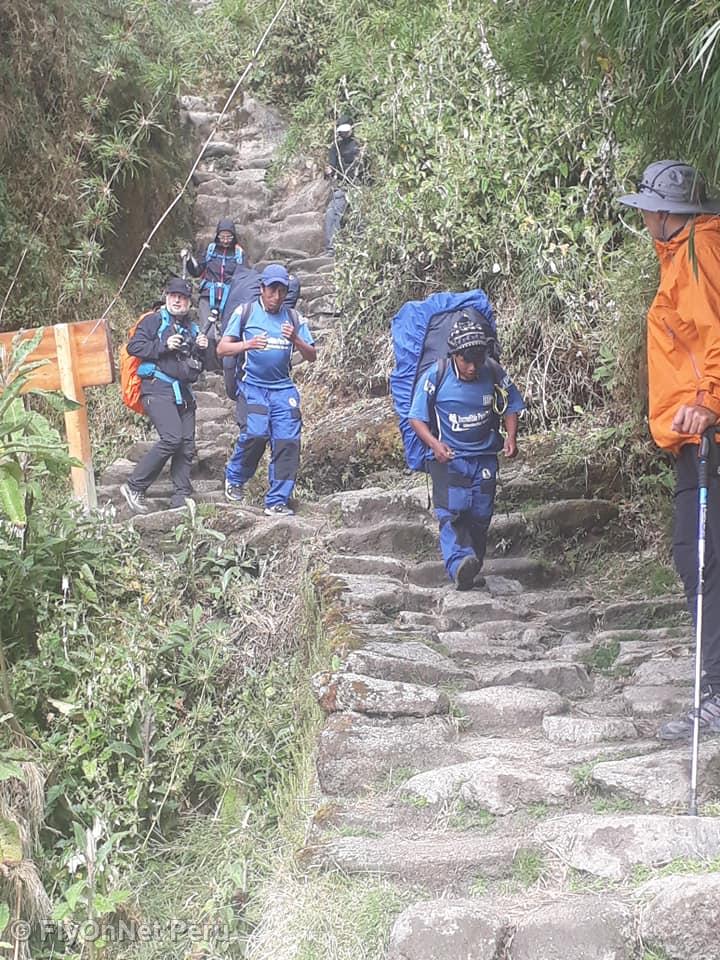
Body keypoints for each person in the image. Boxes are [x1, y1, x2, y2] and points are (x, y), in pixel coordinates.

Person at [618, 160, 720, 740]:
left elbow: (716, 336)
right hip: (695, 436)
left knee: (699, 559)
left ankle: (715, 696)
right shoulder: (683, 254)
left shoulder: (699, 254)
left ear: (663, 214)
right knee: (701, 560)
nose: (644, 219)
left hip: (709, 436)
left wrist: (709, 402)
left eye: (647, 210)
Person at [408, 315, 524, 589]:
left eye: (478, 360)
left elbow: (511, 404)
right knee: (453, 513)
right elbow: (416, 417)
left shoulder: (492, 370)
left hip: (484, 457)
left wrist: (511, 436)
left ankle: (471, 566)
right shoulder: (436, 375)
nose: (473, 367)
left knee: (481, 515)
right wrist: (435, 445)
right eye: (466, 361)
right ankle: (458, 563)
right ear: (454, 355)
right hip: (449, 459)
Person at [217, 264, 316, 516]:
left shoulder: (294, 318)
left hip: (283, 389)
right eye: (272, 290)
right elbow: (222, 348)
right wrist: (247, 344)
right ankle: (235, 478)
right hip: (252, 386)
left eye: (282, 291)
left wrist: (296, 340)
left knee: (288, 441)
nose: (276, 296)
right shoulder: (246, 312)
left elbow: (312, 355)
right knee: (256, 434)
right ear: (262, 289)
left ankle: (277, 501)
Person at [120, 278, 208, 514]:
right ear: (166, 296)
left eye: (182, 297)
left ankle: (181, 498)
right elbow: (134, 347)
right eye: (173, 296)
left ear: (189, 302)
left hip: (184, 392)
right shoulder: (153, 320)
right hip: (156, 387)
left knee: (186, 445)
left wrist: (202, 348)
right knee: (172, 438)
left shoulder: (192, 328)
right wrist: (164, 345)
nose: (177, 300)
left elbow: (201, 365)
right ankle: (134, 486)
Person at [183, 219, 244, 368]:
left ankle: (229, 367)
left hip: (229, 298)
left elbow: (244, 276)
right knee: (208, 333)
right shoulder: (210, 251)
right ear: (217, 236)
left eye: (229, 237)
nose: (225, 241)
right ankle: (211, 367)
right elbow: (197, 271)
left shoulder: (239, 254)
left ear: (234, 237)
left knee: (229, 333)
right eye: (222, 237)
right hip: (207, 296)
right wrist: (189, 260)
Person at [324, 115, 363, 255]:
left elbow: (368, 169)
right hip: (343, 186)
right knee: (331, 214)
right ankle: (331, 248)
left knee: (360, 216)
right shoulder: (335, 147)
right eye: (342, 132)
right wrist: (328, 171)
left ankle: (360, 247)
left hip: (359, 187)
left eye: (346, 131)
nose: (344, 134)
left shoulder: (360, 145)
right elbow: (331, 167)